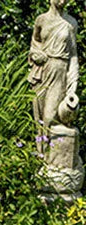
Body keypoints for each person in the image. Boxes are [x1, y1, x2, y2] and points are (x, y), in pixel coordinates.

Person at [28, 0, 79, 151]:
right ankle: (41, 158)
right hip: (41, 71)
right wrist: (35, 54)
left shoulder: (70, 23)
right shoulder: (41, 20)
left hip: (59, 71)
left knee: (49, 117)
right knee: (39, 119)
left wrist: (73, 83)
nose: (63, 1)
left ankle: (52, 158)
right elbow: (34, 44)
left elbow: (73, 55)